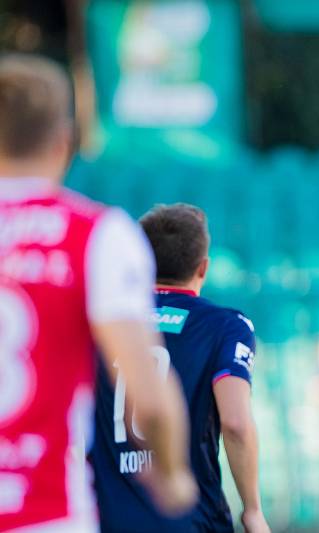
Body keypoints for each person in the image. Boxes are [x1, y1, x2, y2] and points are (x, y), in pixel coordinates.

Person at [0, 54, 196, 532]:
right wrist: (171, 477)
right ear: (65, 141)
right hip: (47, 513)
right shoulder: (95, 234)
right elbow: (145, 388)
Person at [90, 204, 271, 533]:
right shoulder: (226, 326)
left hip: (104, 518)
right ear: (203, 268)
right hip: (191, 517)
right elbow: (235, 423)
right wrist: (253, 510)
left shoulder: (103, 326)